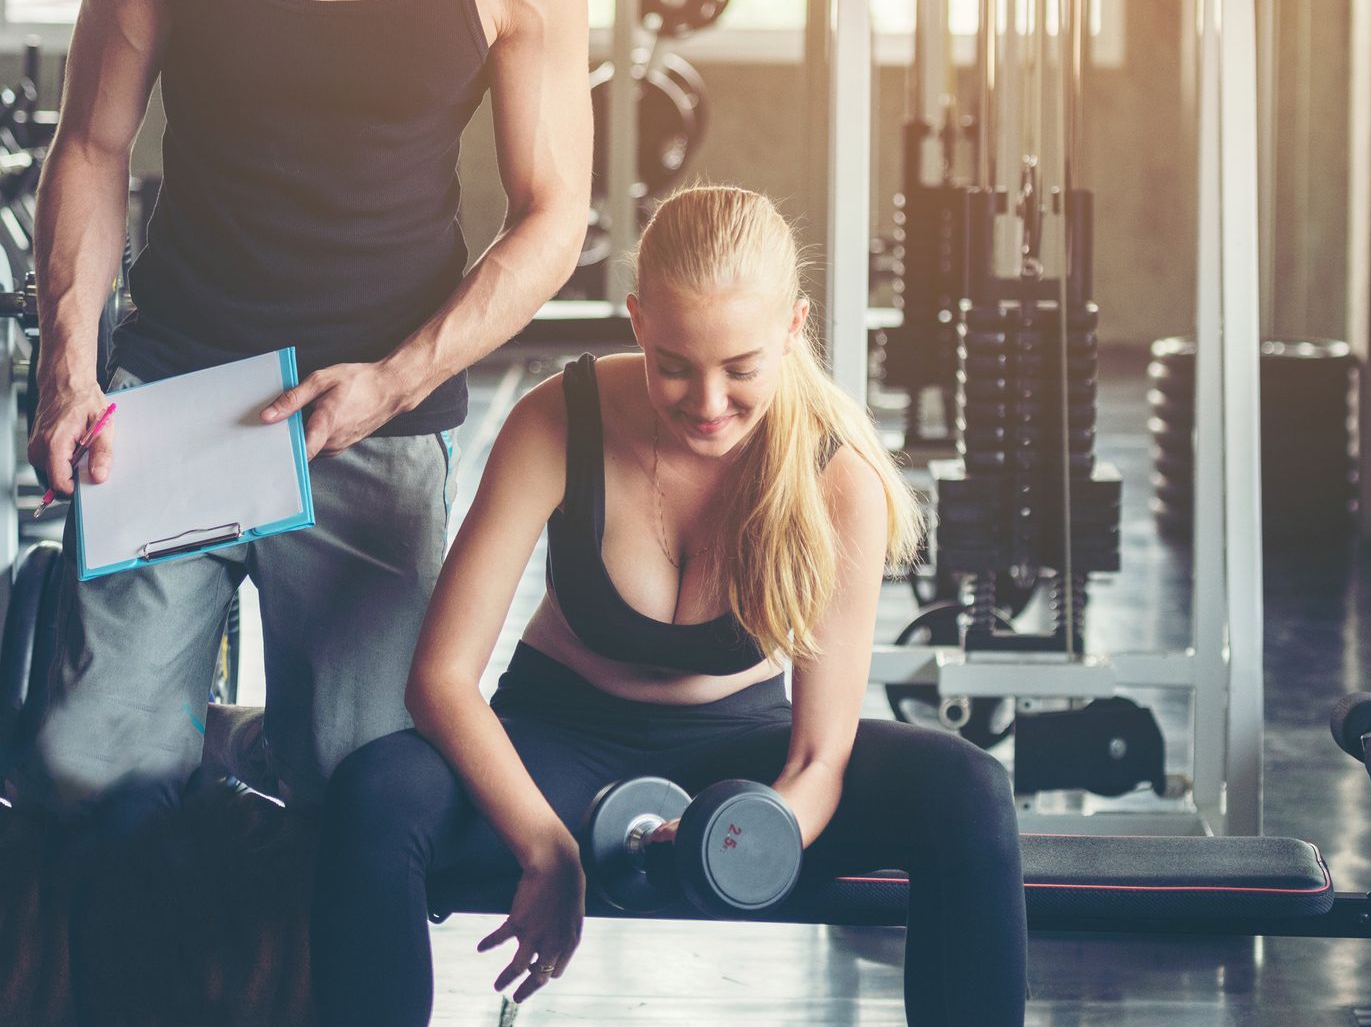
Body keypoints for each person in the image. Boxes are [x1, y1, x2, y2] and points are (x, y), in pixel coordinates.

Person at [16, 0, 591, 813]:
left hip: (379, 415)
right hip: (182, 389)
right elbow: (92, 148)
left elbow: (554, 214)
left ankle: (261, 754)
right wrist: (69, 369)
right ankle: (202, 749)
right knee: (82, 769)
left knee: (368, 790)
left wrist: (395, 380)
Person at [312, 187, 1028, 1026]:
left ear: (793, 328)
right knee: (373, 794)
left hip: (746, 758)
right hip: (553, 746)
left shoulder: (839, 475)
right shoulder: (558, 421)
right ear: (639, 322)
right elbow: (440, 678)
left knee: (970, 790)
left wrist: (753, 836)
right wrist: (545, 846)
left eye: (742, 368)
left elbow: (818, 758)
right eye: (677, 364)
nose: (708, 401)